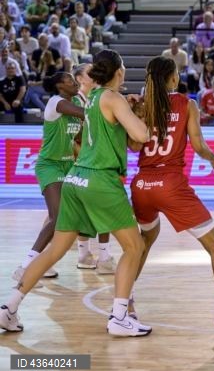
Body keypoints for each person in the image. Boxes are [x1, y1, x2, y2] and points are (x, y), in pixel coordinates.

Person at [0, 50, 152, 336]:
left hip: (75, 178)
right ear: (119, 71)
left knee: (55, 250)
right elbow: (141, 136)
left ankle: (9, 307)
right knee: (135, 247)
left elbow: (118, 133)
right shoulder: (112, 98)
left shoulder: (91, 98)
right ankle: (119, 317)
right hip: (100, 179)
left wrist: (128, 108)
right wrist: (143, 114)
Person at [126, 56, 214, 337]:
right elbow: (198, 145)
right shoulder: (187, 104)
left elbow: (134, 146)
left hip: (141, 185)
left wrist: (137, 110)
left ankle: (125, 302)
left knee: (142, 242)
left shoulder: (143, 105)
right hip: (171, 185)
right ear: (174, 78)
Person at [12, 72, 84, 285]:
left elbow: (79, 135)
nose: (75, 82)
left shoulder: (77, 101)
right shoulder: (55, 102)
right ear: (60, 86)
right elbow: (87, 113)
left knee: (68, 215)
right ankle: (26, 265)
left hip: (69, 164)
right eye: (70, 80)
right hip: (50, 165)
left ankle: (50, 261)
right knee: (57, 215)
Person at [72, 63, 113, 271]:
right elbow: (71, 138)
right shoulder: (73, 101)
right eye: (90, 72)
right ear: (80, 79)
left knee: (89, 211)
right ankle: (95, 255)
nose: (95, 74)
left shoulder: (96, 98)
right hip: (79, 164)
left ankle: (88, 254)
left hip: (87, 163)